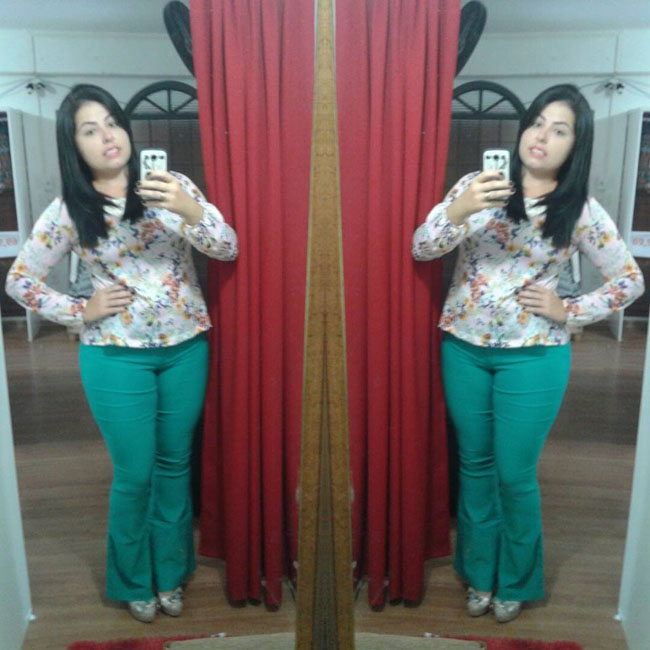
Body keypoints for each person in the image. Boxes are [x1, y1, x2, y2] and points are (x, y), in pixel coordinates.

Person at [6, 84, 238, 623]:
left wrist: (190, 209)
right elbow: (21, 280)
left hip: (186, 348)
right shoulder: (69, 210)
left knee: (175, 465)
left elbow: (227, 248)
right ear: (74, 146)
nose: (107, 136)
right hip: (114, 354)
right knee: (135, 473)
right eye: (90, 130)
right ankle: (134, 580)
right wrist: (79, 309)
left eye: (112, 122)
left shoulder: (173, 185)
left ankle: (171, 573)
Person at [412, 84, 644, 623]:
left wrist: (570, 309)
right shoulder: (476, 185)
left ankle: (515, 580)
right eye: (537, 122)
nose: (542, 136)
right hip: (463, 348)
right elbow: (422, 248)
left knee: (514, 473)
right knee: (474, 465)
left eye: (559, 130)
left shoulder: (580, 210)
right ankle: (478, 573)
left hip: (535, 354)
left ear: (575, 146)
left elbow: (628, 280)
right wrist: (459, 209)